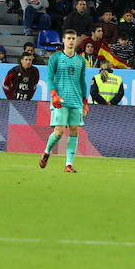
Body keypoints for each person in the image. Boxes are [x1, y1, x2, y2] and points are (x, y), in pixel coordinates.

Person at [39, 29, 88, 173]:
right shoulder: (55, 58)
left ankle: (68, 164)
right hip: (60, 99)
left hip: (76, 100)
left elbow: (82, 81)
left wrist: (85, 101)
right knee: (59, 131)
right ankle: (47, 152)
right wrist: (53, 94)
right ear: (63, 41)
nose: (71, 41)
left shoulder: (81, 60)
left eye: (74, 38)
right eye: (69, 38)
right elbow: (49, 78)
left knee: (74, 130)